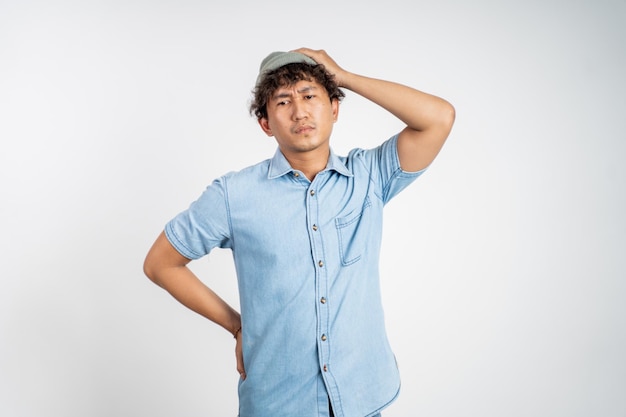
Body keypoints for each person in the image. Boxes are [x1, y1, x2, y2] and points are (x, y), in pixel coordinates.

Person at [143, 48, 455, 417]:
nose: (300, 111)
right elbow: (161, 263)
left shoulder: (369, 176)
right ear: (265, 123)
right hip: (278, 403)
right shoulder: (233, 195)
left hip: (361, 399)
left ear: (334, 108)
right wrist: (236, 326)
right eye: (283, 101)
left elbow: (439, 118)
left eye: (310, 95)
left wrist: (344, 76)